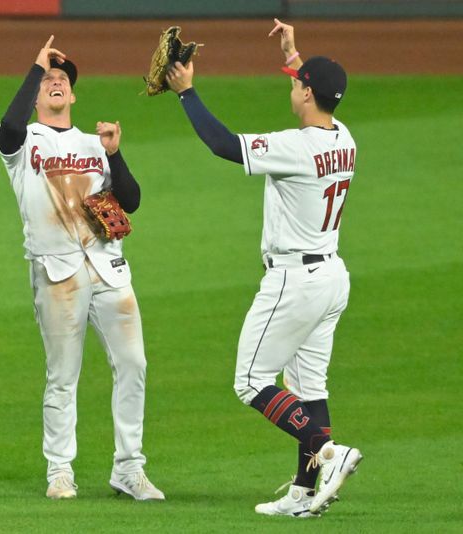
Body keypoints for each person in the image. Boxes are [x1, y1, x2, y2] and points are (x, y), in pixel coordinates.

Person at [165, 19, 362, 517]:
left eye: (296, 82)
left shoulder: (296, 148)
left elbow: (224, 145)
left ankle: (330, 454)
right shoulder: (345, 137)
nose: (292, 87)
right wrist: (296, 56)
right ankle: (303, 494)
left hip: (295, 280)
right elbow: (317, 93)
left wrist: (187, 93)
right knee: (310, 387)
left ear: (307, 92)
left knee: (251, 380)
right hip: (332, 278)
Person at [0, 36, 164, 501]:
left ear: (72, 95)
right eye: (47, 79)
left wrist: (114, 152)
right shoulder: (22, 142)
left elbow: (131, 200)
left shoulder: (94, 142)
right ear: (36, 94)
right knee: (62, 375)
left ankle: (129, 468)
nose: (55, 82)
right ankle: (60, 472)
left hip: (108, 267)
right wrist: (35, 67)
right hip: (57, 274)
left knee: (134, 363)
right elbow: (9, 125)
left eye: (62, 80)